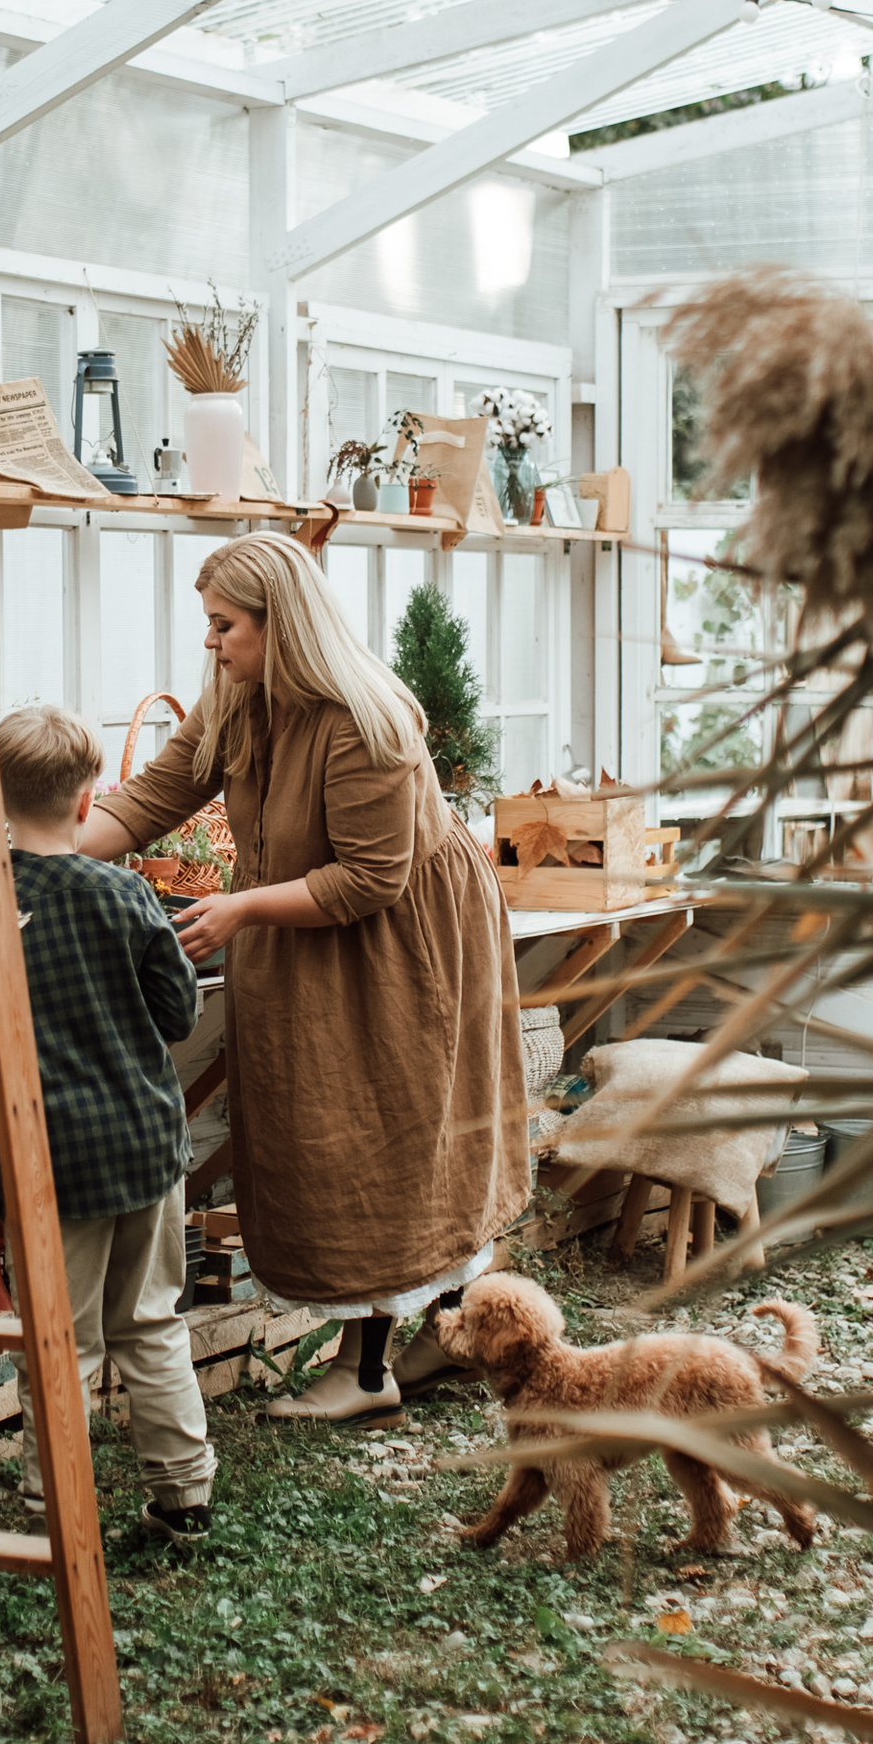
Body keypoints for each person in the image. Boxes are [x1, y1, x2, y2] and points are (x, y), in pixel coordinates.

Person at [81, 534, 526, 1427]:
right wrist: (30, 858)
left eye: (224, 626)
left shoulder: (367, 721)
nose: (210, 643)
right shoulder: (239, 697)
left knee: (389, 1131)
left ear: (280, 627)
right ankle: (438, 1327)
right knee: (340, 1131)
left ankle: (368, 1373)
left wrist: (242, 909)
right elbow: (155, 795)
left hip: (403, 937)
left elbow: (371, 879)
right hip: (312, 916)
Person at [0, 703, 216, 1548]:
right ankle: (184, 1496)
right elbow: (179, 1014)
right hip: (144, 1146)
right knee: (150, 1322)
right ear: (89, 802)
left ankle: (58, 1512)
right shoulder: (128, 893)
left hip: (48, 1163)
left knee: (61, 1343)